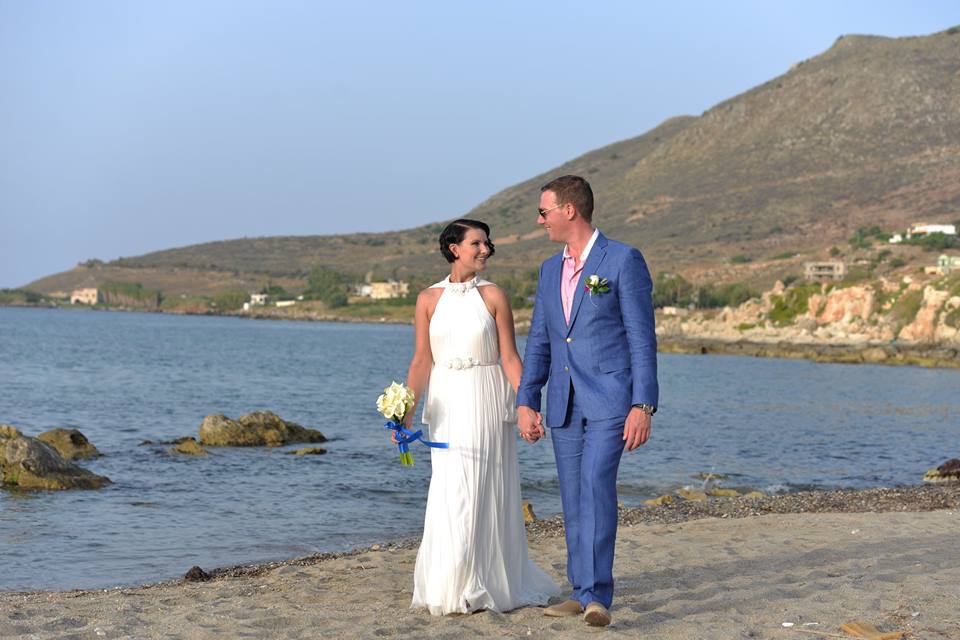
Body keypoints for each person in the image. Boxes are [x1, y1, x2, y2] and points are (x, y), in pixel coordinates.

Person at [516, 175, 659, 627]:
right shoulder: (547, 269)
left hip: (611, 400)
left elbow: (642, 338)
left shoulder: (622, 260)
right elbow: (541, 339)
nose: (540, 220)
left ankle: (598, 594)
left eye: (544, 212)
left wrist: (644, 405)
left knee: (596, 483)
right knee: (573, 494)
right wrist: (526, 399)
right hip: (562, 402)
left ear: (569, 210)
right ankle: (580, 591)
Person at [399, 218, 559, 615]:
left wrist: (528, 406)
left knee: (480, 487)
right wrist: (404, 415)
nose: (485, 250)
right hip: (446, 402)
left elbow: (509, 357)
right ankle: (450, 584)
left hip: (486, 398)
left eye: (487, 244)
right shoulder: (427, 299)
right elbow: (421, 361)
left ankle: (479, 584)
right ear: (454, 248)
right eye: (477, 243)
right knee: (450, 489)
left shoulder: (494, 296)